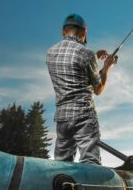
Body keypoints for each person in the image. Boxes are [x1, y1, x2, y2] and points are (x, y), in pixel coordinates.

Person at [46, 13, 117, 165]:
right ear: (84, 32)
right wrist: (106, 67)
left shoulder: (50, 52)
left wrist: (95, 58)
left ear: (63, 31)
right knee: (90, 162)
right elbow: (98, 89)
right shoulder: (87, 53)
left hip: (62, 117)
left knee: (62, 163)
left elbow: (71, 66)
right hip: (83, 115)